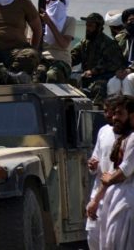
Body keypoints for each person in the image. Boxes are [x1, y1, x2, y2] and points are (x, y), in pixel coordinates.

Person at [93, 95, 134, 249]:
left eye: (120, 114)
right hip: (117, 199)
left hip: (127, 202)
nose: (114, 117)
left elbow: (124, 171)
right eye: (114, 113)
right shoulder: (125, 137)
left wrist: (109, 178)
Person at [85, 95, 118, 249]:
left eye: (110, 112)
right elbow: (96, 156)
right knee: (94, 238)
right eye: (105, 111)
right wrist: (92, 165)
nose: (107, 115)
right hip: (98, 195)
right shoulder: (103, 131)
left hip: (117, 197)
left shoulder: (129, 136)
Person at [71, 13, 124, 105]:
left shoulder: (109, 44)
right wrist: (65, 61)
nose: (87, 28)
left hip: (104, 77)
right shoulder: (85, 43)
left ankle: (97, 114)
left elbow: (111, 64)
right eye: (87, 25)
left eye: (91, 26)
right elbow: (74, 56)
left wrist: (93, 71)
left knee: (99, 87)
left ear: (98, 27)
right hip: (86, 77)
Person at [36, 0, 76, 83]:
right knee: (38, 74)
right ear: (47, 2)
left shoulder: (69, 21)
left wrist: (49, 22)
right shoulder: (38, 20)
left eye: (61, 0)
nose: (58, 2)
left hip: (61, 61)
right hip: (42, 60)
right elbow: (32, 43)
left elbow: (64, 44)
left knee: (52, 75)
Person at [108, 8, 134, 96]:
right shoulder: (121, 37)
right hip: (124, 71)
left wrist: (130, 69)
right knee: (113, 82)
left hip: (131, 72)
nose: (132, 23)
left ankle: (129, 108)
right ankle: (115, 108)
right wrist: (118, 70)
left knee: (129, 79)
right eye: (130, 20)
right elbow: (113, 56)